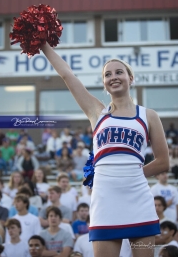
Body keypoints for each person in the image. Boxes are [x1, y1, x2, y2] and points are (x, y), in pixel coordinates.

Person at [42, 43, 169, 257]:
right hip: (105, 201)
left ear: (131, 78)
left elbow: (163, 161)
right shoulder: (97, 113)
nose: (114, 77)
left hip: (138, 199)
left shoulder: (149, 115)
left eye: (119, 72)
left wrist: (133, 173)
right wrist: (43, 45)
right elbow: (67, 75)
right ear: (104, 83)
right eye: (108, 74)